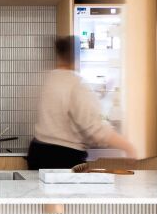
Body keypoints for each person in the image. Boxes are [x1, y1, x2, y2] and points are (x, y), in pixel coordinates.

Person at [27, 35, 137, 170]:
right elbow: (95, 129)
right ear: (77, 57)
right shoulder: (77, 84)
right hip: (62, 158)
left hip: (37, 152)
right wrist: (128, 146)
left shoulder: (47, 79)